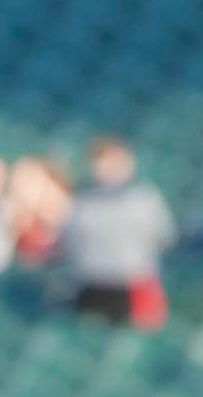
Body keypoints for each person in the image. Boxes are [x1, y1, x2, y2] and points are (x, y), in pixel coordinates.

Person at [63, 139, 176, 326]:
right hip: (92, 284)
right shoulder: (82, 202)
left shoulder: (144, 199)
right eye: (103, 162)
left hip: (134, 284)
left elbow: (164, 236)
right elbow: (69, 240)